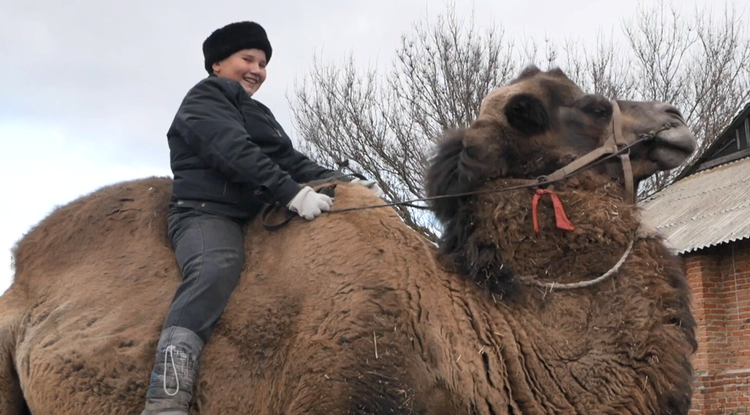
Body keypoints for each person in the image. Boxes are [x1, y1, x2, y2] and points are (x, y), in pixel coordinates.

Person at [140, 21, 382, 415]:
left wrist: (345, 182)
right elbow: (233, 151)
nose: (257, 69)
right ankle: (166, 395)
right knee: (214, 269)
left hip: (253, 216)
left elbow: (289, 160)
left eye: (263, 62)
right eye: (246, 58)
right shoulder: (205, 98)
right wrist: (292, 193)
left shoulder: (258, 112)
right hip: (206, 214)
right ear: (217, 64)